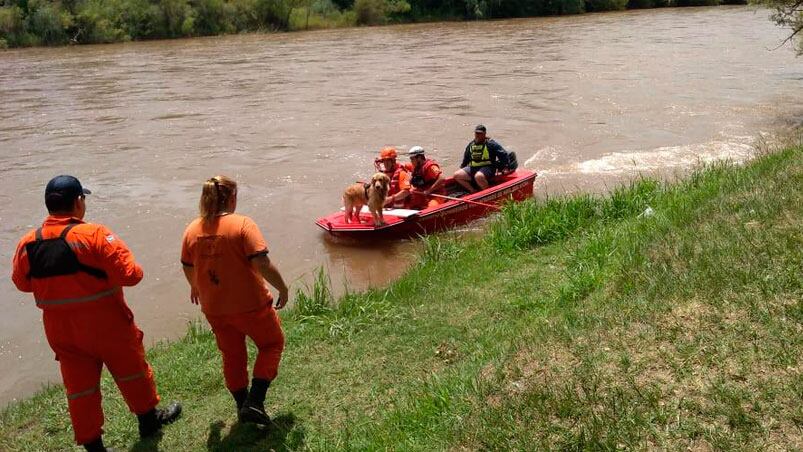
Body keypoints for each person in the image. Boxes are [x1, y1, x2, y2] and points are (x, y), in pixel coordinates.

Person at [11, 175, 181, 452]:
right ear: (78, 202)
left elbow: (21, 283)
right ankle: (149, 421)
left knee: (80, 390)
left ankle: (93, 446)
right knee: (132, 373)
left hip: (62, 331)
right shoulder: (95, 234)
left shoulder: (27, 243)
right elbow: (131, 275)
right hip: (107, 325)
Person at [181, 176, 289, 426]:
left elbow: (187, 265)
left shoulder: (192, 229)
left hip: (215, 308)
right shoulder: (243, 224)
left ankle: (243, 406)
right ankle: (255, 401)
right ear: (232, 198)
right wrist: (282, 287)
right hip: (250, 304)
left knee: (232, 355)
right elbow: (261, 262)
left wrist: (195, 286)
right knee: (272, 344)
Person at [453, 124, 510, 193]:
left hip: (488, 168)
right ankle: (473, 191)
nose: (477, 135)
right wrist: (462, 167)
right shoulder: (471, 144)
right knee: (457, 175)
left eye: (480, 133)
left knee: (478, 176)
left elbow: (503, 154)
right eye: (476, 133)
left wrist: (505, 166)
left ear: (484, 134)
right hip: (473, 167)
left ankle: (487, 193)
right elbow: (466, 157)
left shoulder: (491, 144)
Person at [404, 146, 447, 210]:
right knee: (406, 203)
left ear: (419, 158)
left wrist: (429, 190)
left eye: (412, 159)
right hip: (421, 193)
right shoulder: (414, 166)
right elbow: (409, 176)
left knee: (432, 208)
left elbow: (442, 178)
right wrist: (407, 186)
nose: (411, 161)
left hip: (435, 194)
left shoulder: (430, 167)